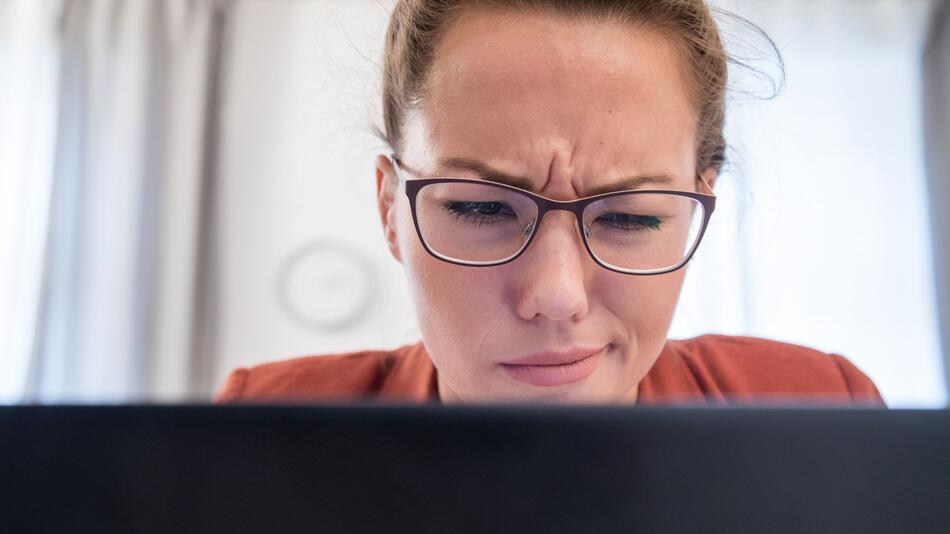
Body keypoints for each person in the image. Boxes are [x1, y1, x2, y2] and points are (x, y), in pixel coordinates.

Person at [215, 0, 884, 406]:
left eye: (630, 216)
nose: (556, 295)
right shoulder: (257, 437)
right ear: (390, 209)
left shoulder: (823, 409)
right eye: (482, 209)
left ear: (696, 203)